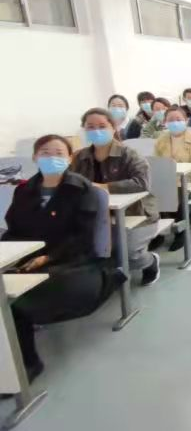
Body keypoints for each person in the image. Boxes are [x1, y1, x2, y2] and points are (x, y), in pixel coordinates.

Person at [4, 134, 115, 381]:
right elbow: (13, 230)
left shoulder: (82, 189)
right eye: (45, 153)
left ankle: (28, 365)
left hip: (74, 264)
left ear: (69, 158)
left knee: (14, 304)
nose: (51, 158)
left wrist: (47, 257)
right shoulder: (23, 191)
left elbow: (82, 238)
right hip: (29, 262)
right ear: (34, 157)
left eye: (58, 153)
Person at [71, 107, 162, 285]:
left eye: (102, 126)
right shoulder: (79, 157)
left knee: (127, 255)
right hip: (96, 216)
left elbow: (142, 183)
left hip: (136, 214)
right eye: (90, 127)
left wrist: (104, 186)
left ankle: (150, 261)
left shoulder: (129, 154)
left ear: (113, 128)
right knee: (84, 250)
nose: (96, 131)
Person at [155, 106, 191, 191]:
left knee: (174, 195)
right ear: (165, 122)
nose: (175, 123)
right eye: (171, 120)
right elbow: (156, 164)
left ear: (186, 121)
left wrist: (179, 181)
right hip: (167, 182)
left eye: (178, 119)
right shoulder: (160, 140)